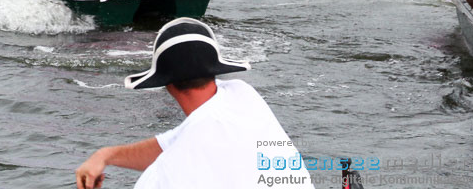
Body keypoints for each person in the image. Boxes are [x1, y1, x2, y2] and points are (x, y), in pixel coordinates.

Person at [75, 18, 315, 189]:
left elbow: (182, 148)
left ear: (167, 85)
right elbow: (174, 142)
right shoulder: (243, 96)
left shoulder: (165, 175)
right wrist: (106, 155)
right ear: (214, 73)